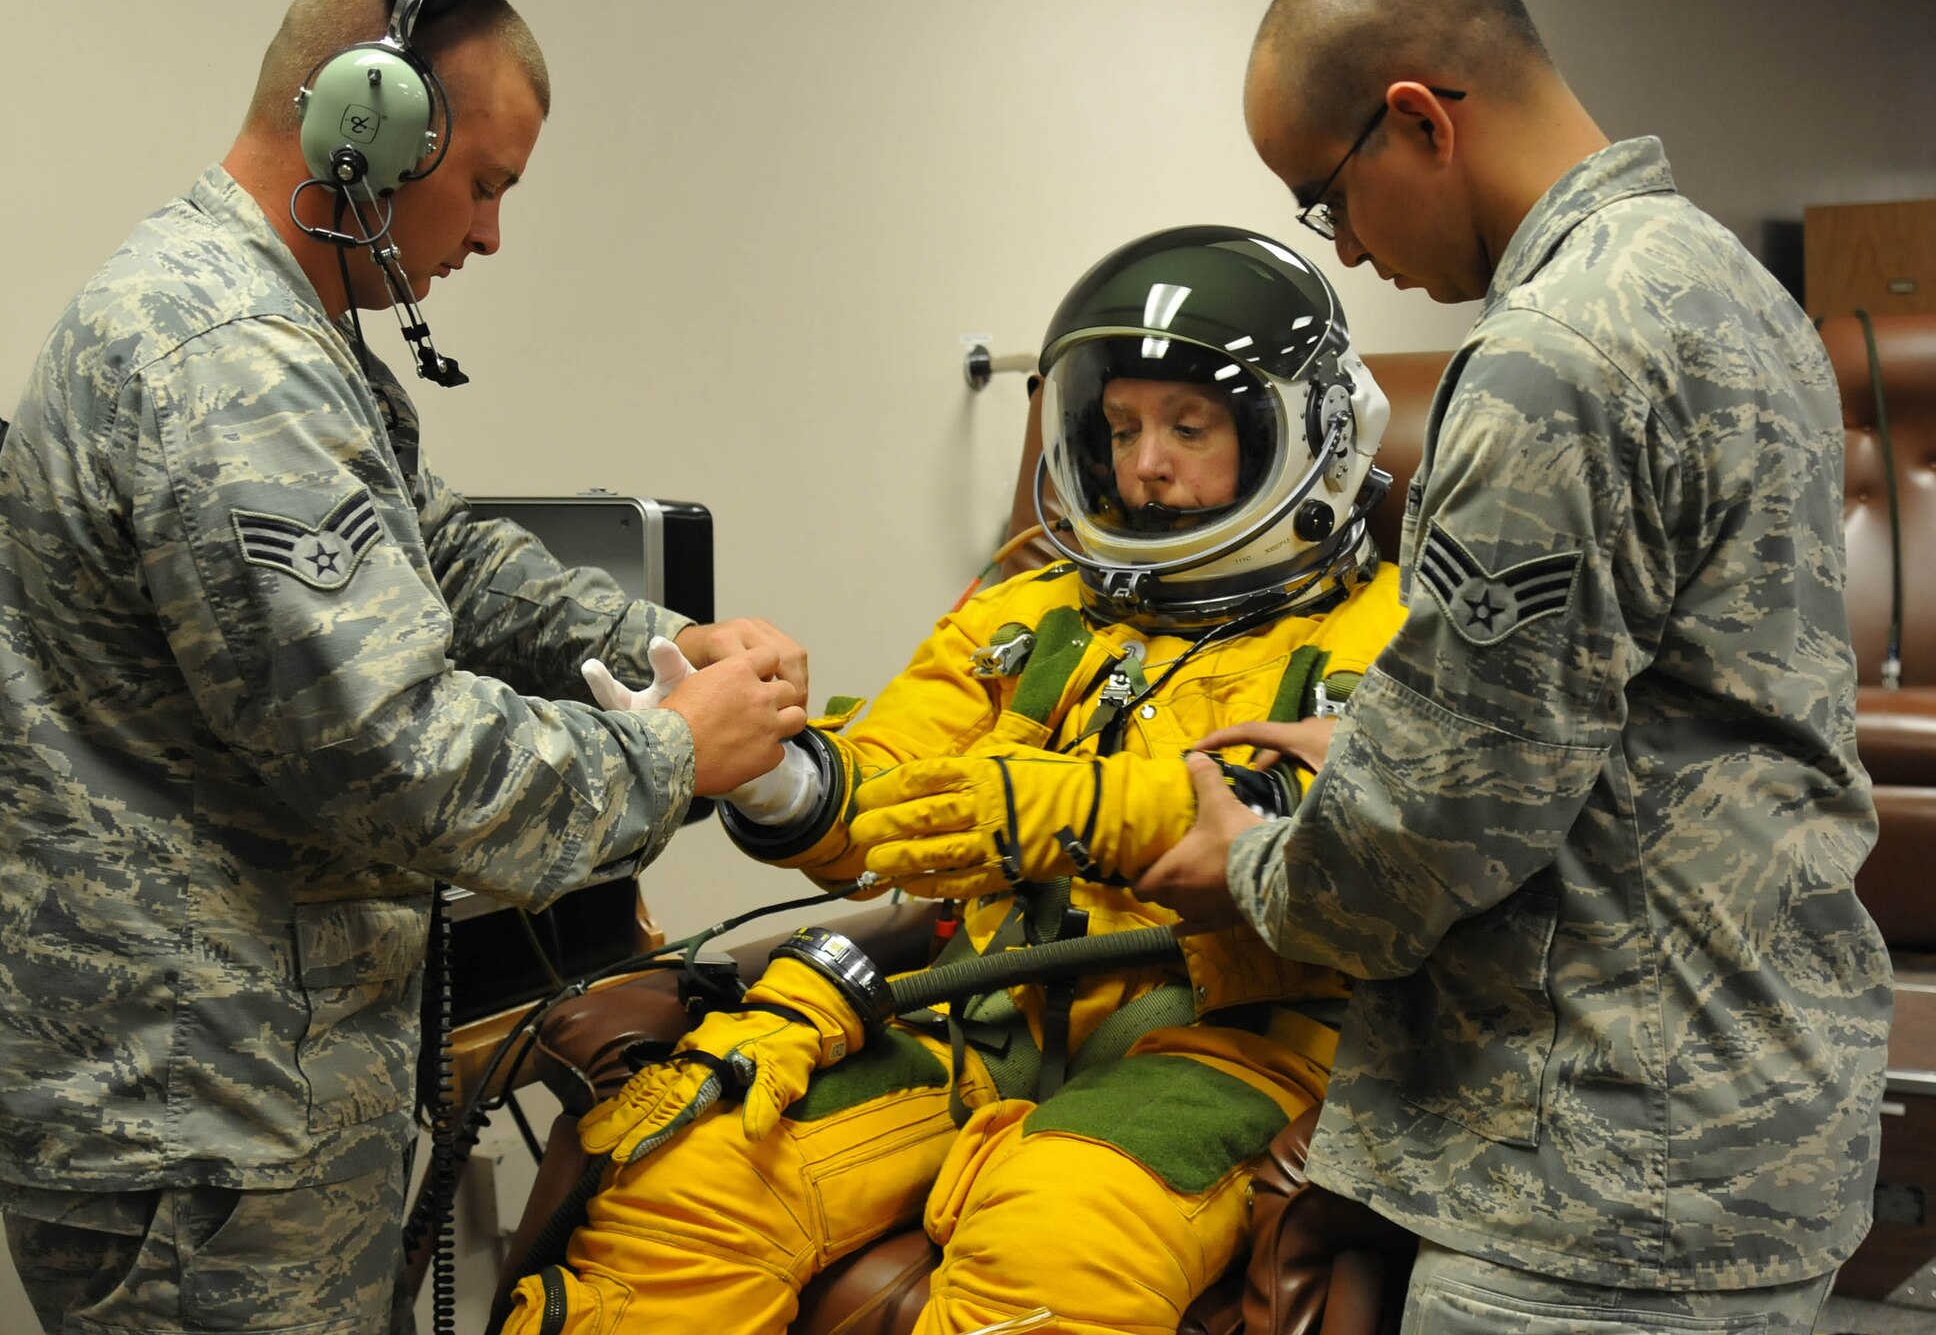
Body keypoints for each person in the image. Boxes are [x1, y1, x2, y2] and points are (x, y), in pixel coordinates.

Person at [0, 0, 807, 1335]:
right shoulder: (227, 363)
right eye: (481, 185)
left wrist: (660, 638)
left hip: (229, 1104)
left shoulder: (275, 322)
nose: (485, 233)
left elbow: (442, 551)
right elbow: (400, 757)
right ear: (368, 131)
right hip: (199, 1132)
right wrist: (671, 755)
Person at [1130, 0, 1893, 1333]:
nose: (1347, 246)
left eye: (1327, 198)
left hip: (1594, 1187)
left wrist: (1259, 866)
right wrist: (1380, 732)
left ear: (1416, 119)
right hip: (1752, 1122)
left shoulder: (1556, 353)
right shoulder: (1720, 283)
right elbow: (1669, 691)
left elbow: (1434, 835)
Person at [500, 226, 1407, 1335]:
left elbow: (1302, 824)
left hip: (1226, 1038)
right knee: (689, 1177)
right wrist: (780, 778)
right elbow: (897, 773)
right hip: (973, 1023)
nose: (1140, 466)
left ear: (1296, 436)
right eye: (1117, 427)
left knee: (1056, 1235)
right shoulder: (1027, 610)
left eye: (1187, 427)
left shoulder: (1390, 635)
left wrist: (1046, 811)